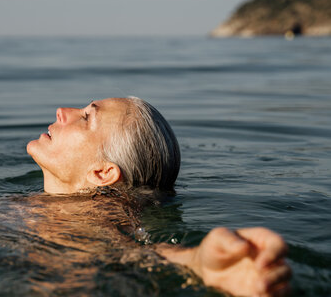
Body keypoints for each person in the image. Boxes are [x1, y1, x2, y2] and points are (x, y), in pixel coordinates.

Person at [26, 97, 291, 297]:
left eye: (86, 118)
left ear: (103, 172)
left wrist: (197, 263)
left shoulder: (96, 219)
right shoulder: (29, 206)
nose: (62, 112)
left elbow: (135, 252)